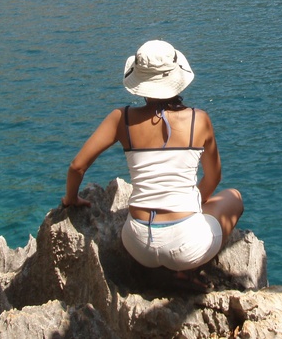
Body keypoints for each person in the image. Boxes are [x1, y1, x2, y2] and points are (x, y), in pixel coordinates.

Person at [62, 40, 244, 291]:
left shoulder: (121, 119)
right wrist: (191, 207)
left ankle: (158, 271)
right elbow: (213, 178)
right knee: (234, 197)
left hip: (138, 244)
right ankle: (186, 271)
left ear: (139, 82)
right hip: (186, 247)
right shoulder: (198, 120)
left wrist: (70, 199)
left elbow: (76, 167)